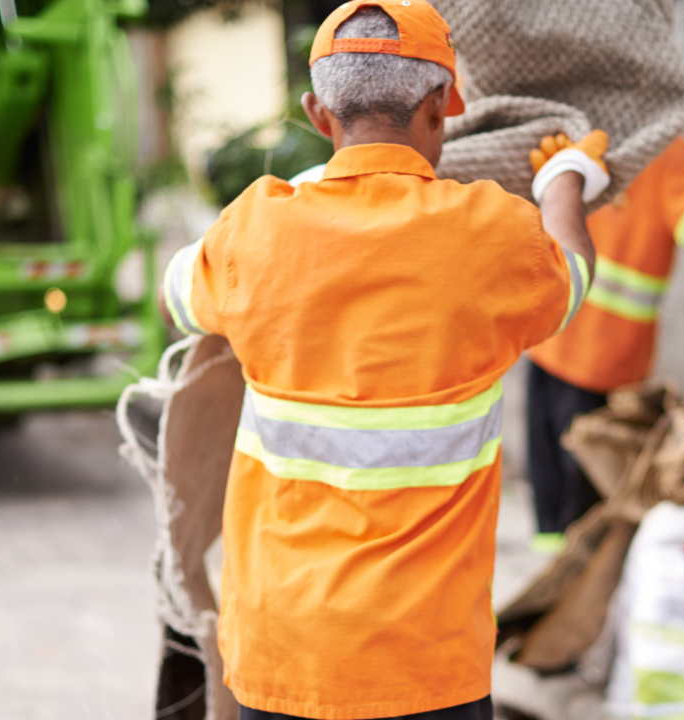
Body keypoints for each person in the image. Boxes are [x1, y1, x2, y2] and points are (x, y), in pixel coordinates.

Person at [158, 1, 609, 717]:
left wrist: (292, 200)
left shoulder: (256, 229)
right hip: (428, 665)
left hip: (283, 654)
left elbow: (172, 297)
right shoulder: (493, 235)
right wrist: (566, 184)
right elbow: (574, 274)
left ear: (316, 114)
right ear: (440, 108)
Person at [525, 136, 684, 549]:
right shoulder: (577, 127)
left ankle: (569, 583)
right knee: (550, 494)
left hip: (603, 360)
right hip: (548, 339)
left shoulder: (665, 152)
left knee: (581, 500)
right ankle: (551, 584)